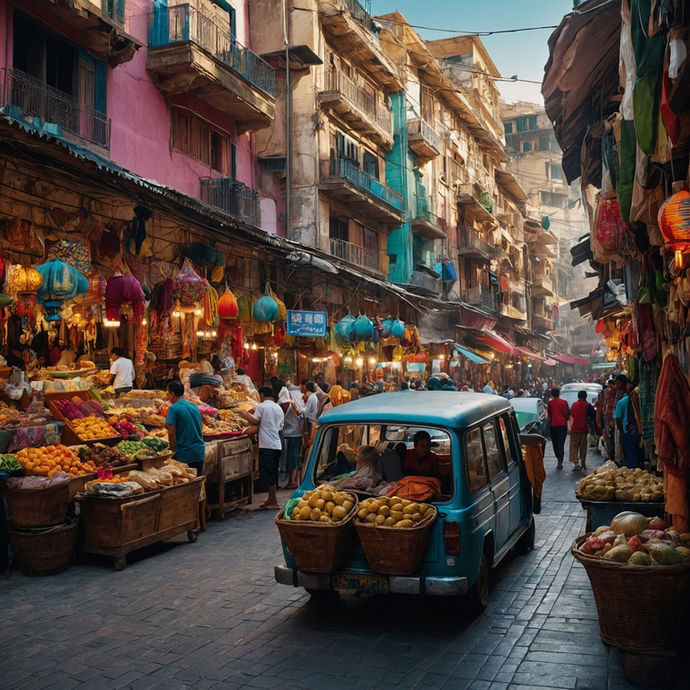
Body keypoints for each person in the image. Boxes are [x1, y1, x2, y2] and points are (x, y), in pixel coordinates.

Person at [239, 386, 284, 510]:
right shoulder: (278, 408)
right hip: (277, 444)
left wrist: (244, 415)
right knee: (273, 471)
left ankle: (273, 501)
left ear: (262, 395)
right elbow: (280, 426)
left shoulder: (262, 406)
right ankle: (271, 498)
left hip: (267, 444)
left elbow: (254, 421)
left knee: (266, 472)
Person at [165, 380, 205, 476]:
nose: (167, 396)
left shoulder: (173, 408)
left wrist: (172, 451)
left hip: (185, 454)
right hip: (199, 452)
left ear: (173, 393)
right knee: (197, 484)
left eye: (168, 393)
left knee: (185, 484)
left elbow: (171, 433)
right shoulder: (194, 406)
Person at [615, 378, 644, 469]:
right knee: (640, 454)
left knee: (631, 455)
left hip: (629, 431)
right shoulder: (641, 399)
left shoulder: (622, 402)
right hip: (640, 431)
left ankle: (635, 473)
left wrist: (622, 432)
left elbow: (617, 419)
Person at [281, 382, 304, 489]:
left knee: (292, 455)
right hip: (298, 429)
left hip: (292, 431)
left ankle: (292, 480)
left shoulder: (288, 396)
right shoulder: (299, 395)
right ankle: (294, 480)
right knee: (294, 455)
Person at [569, 390, 592, 472]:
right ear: (585, 396)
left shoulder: (574, 405)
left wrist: (570, 428)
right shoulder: (587, 405)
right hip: (584, 429)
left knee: (574, 447)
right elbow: (590, 417)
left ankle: (576, 463)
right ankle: (583, 462)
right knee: (583, 447)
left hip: (575, 429)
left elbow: (571, 416)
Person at [547, 387, 570, 470]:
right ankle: (560, 459)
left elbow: (549, 415)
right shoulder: (564, 402)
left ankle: (559, 458)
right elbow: (567, 414)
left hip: (554, 425)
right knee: (561, 443)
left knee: (555, 443)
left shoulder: (550, 403)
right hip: (562, 425)